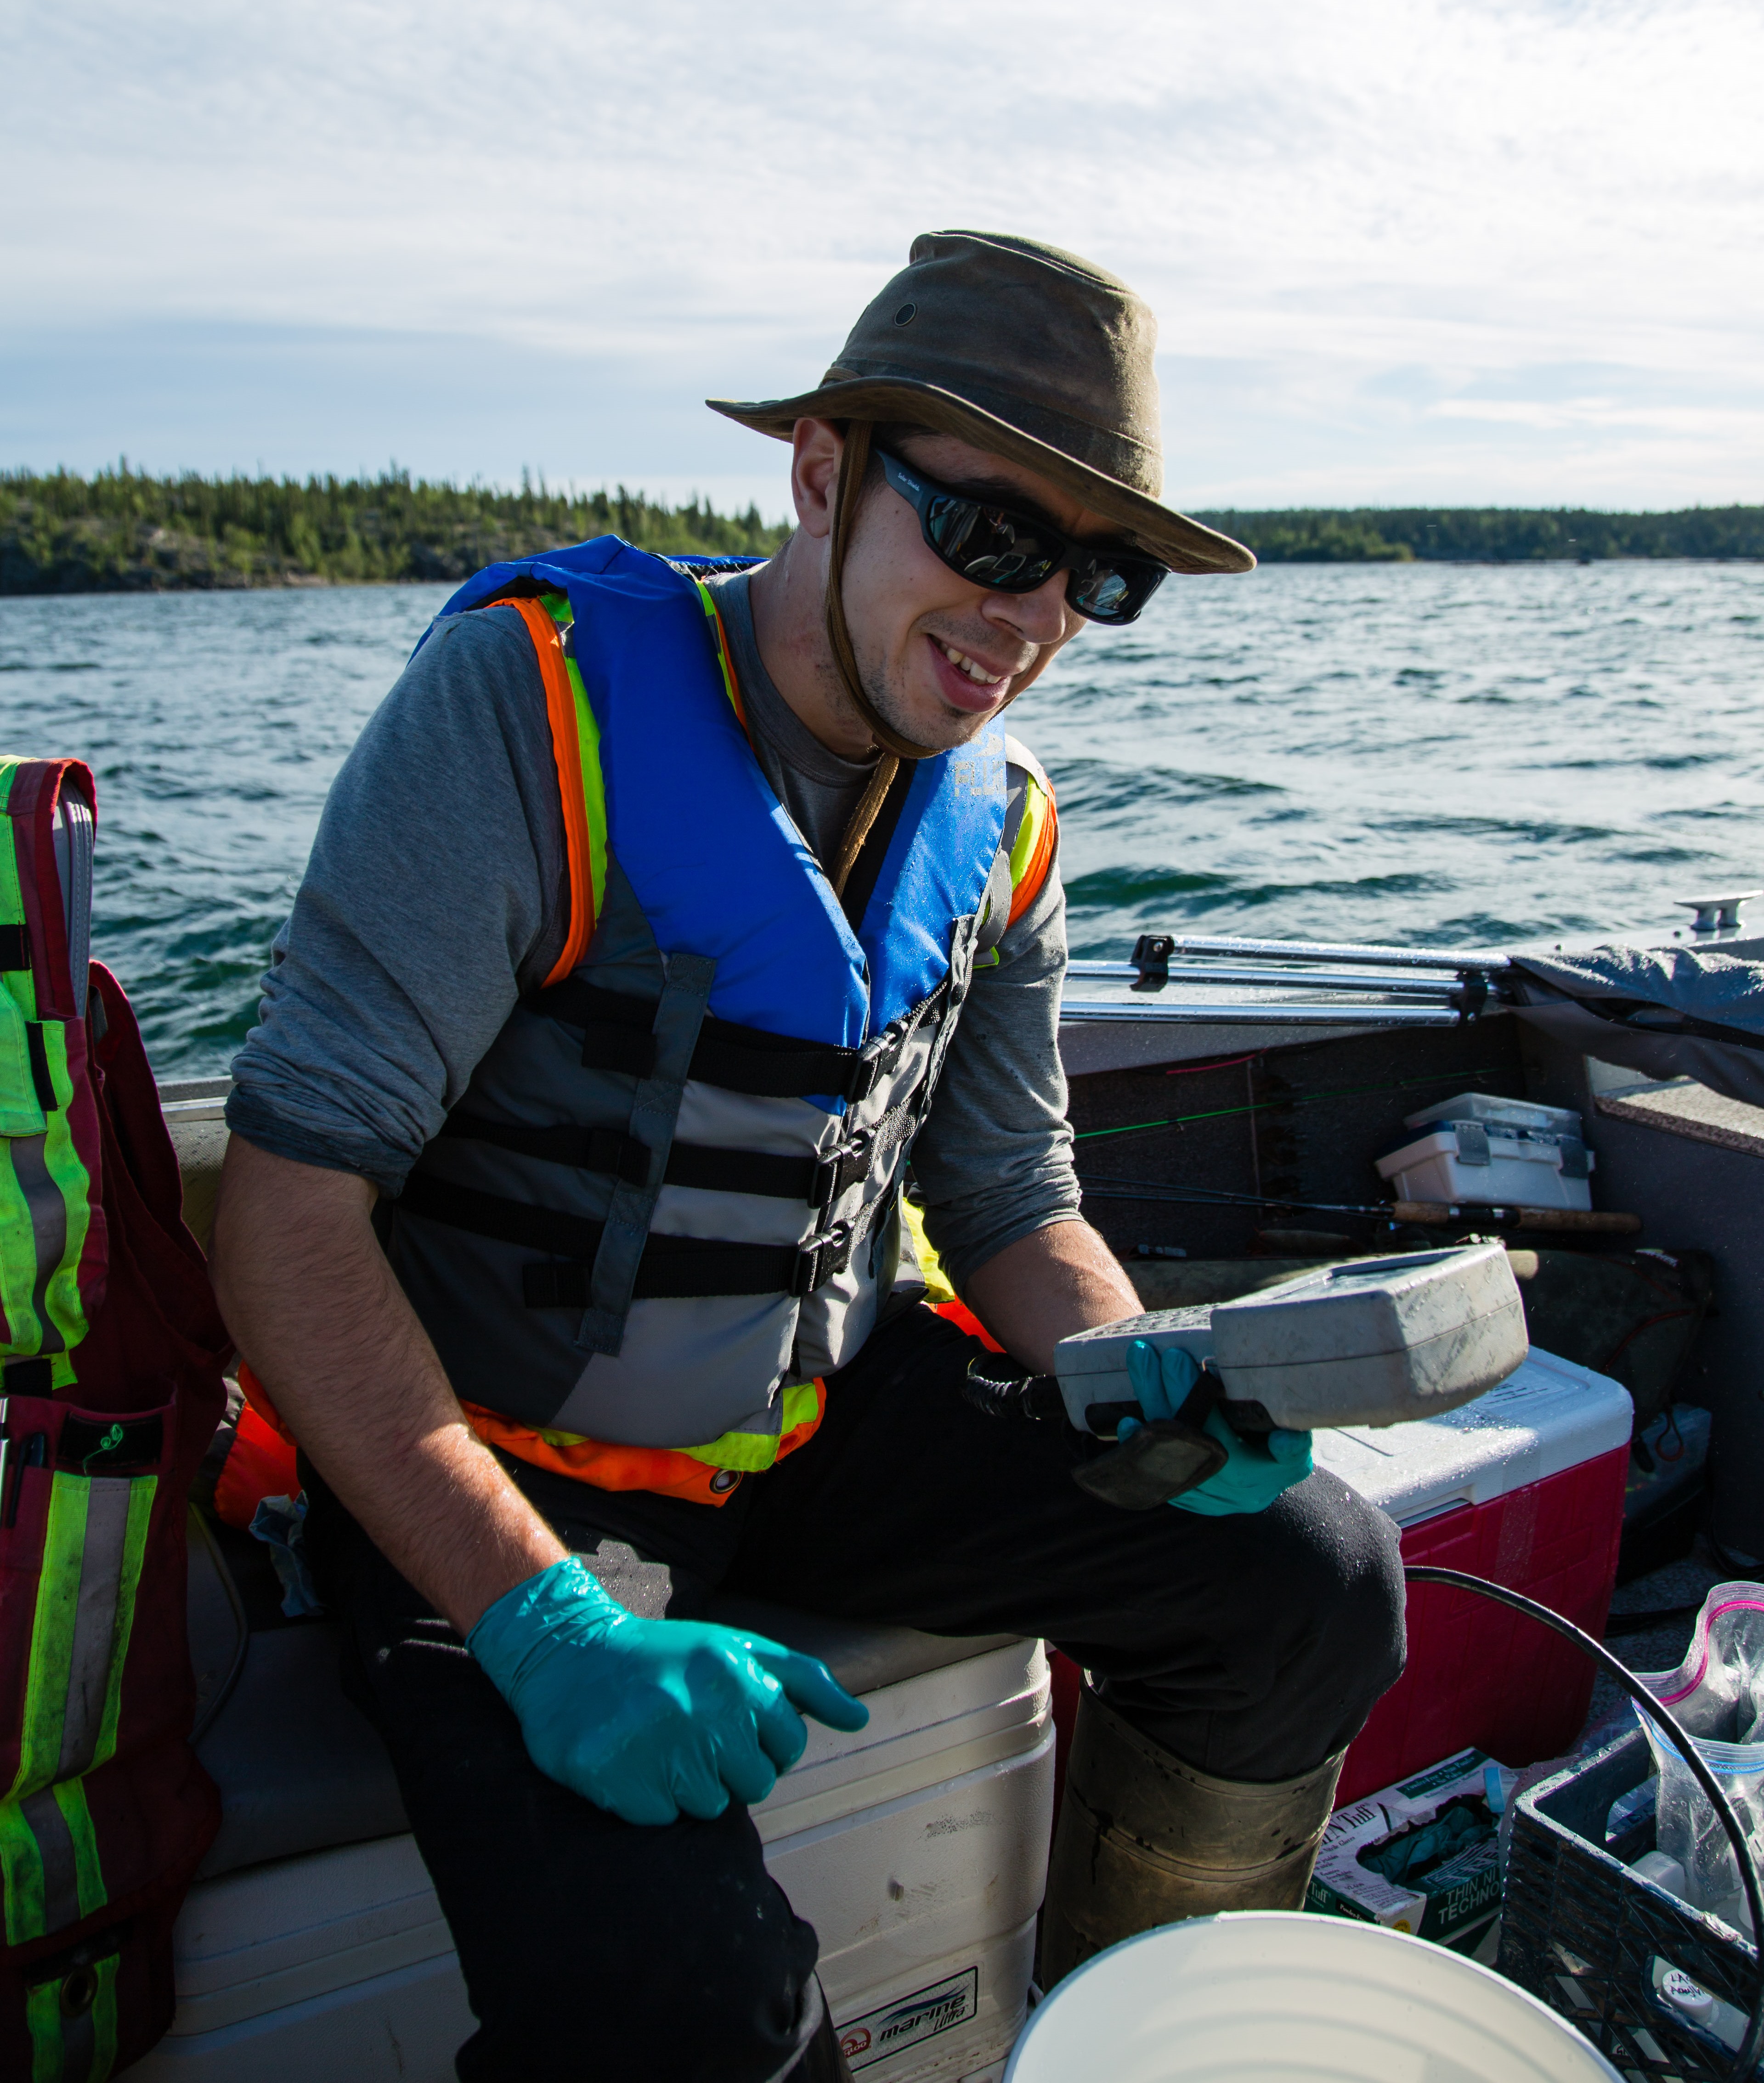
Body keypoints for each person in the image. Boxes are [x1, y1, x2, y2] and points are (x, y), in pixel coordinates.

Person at [210, 230, 1405, 2083]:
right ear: (823, 472)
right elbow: (286, 1216)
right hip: (510, 1464)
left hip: (822, 1419)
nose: (1031, 616)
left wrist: (1123, 1370)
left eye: (1099, 575)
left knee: (1311, 1582)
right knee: (697, 2020)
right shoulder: (525, 711)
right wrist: (543, 1625)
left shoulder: (1005, 831)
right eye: (993, 534)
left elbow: (1009, 1197)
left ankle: (1140, 2039)